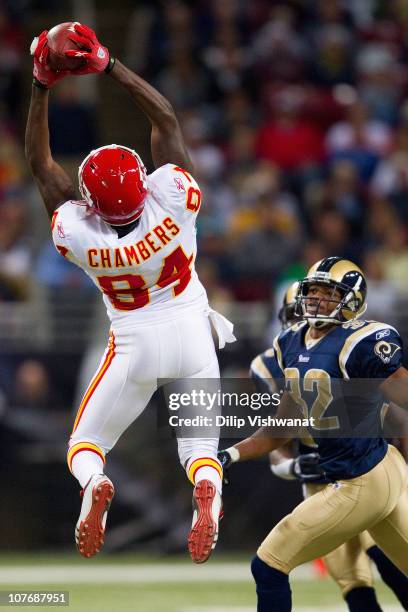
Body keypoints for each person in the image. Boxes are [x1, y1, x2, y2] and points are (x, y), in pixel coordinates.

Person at [25, 23, 235, 563]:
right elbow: (164, 118)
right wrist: (109, 64)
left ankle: (95, 486)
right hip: (192, 328)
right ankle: (205, 497)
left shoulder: (80, 237)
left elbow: (43, 169)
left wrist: (41, 86)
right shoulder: (172, 197)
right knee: (199, 448)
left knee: (85, 447)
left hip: (135, 341)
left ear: (90, 204)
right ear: (144, 183)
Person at [219, 257, 408, 611]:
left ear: (352, 300)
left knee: (268, 564)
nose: (317, 299)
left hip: (363, 478)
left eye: (328, 292)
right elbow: (282, 428)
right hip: (352, 477)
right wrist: (230, 455)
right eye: (313, 290)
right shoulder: (288, 344)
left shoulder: (362, 341)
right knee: (372, 576)